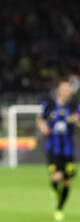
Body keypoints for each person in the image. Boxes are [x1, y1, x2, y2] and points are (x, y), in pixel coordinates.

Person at [37, 80, 80, 221]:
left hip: (68, 149)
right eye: (65, 89)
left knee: (67, 181)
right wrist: (44, 128)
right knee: (56, 177)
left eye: (69, 89)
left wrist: (77, 120)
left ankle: (59, 208)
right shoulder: (49, 104)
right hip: (53, 148)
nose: (67, 91)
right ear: (59, 90)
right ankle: (54, 190)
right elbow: (40, 119)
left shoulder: (74, 107)